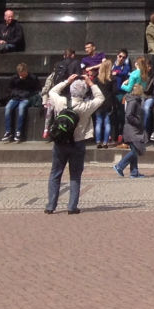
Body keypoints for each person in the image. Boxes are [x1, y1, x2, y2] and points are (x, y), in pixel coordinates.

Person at [44, 73, 105, 214]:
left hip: (60, 142)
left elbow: (52, 91)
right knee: (75, 175)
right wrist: (91, 83)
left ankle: (50, 206)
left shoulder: (61, 102)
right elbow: (101, 98)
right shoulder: (86, 106)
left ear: (71, 90)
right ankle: (72, 207)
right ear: (84, 92)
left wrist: (67, 80)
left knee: (55, 173)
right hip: (78, 143)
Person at [115, 86, 149, 178]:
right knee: (135, 150)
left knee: (135, 150)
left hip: (134, 129)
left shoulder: (136, 101)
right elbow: (129, 115)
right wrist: (138, 122)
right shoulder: (133, 101)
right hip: (132, 129)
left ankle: (134, 172)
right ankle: (120, 165)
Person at [1, 62, 37, 142]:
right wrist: (14, 93)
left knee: (21, 109)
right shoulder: (14, 78)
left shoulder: (32, 78)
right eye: (20, 74)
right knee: (7, 108)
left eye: (23, 73)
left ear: (26, 71)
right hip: (15, 97)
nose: (21, 75)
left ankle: (18, 132)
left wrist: (25, 83)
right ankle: (8, 131)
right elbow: (10, 88)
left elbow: (35, 89)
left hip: (26, 98)